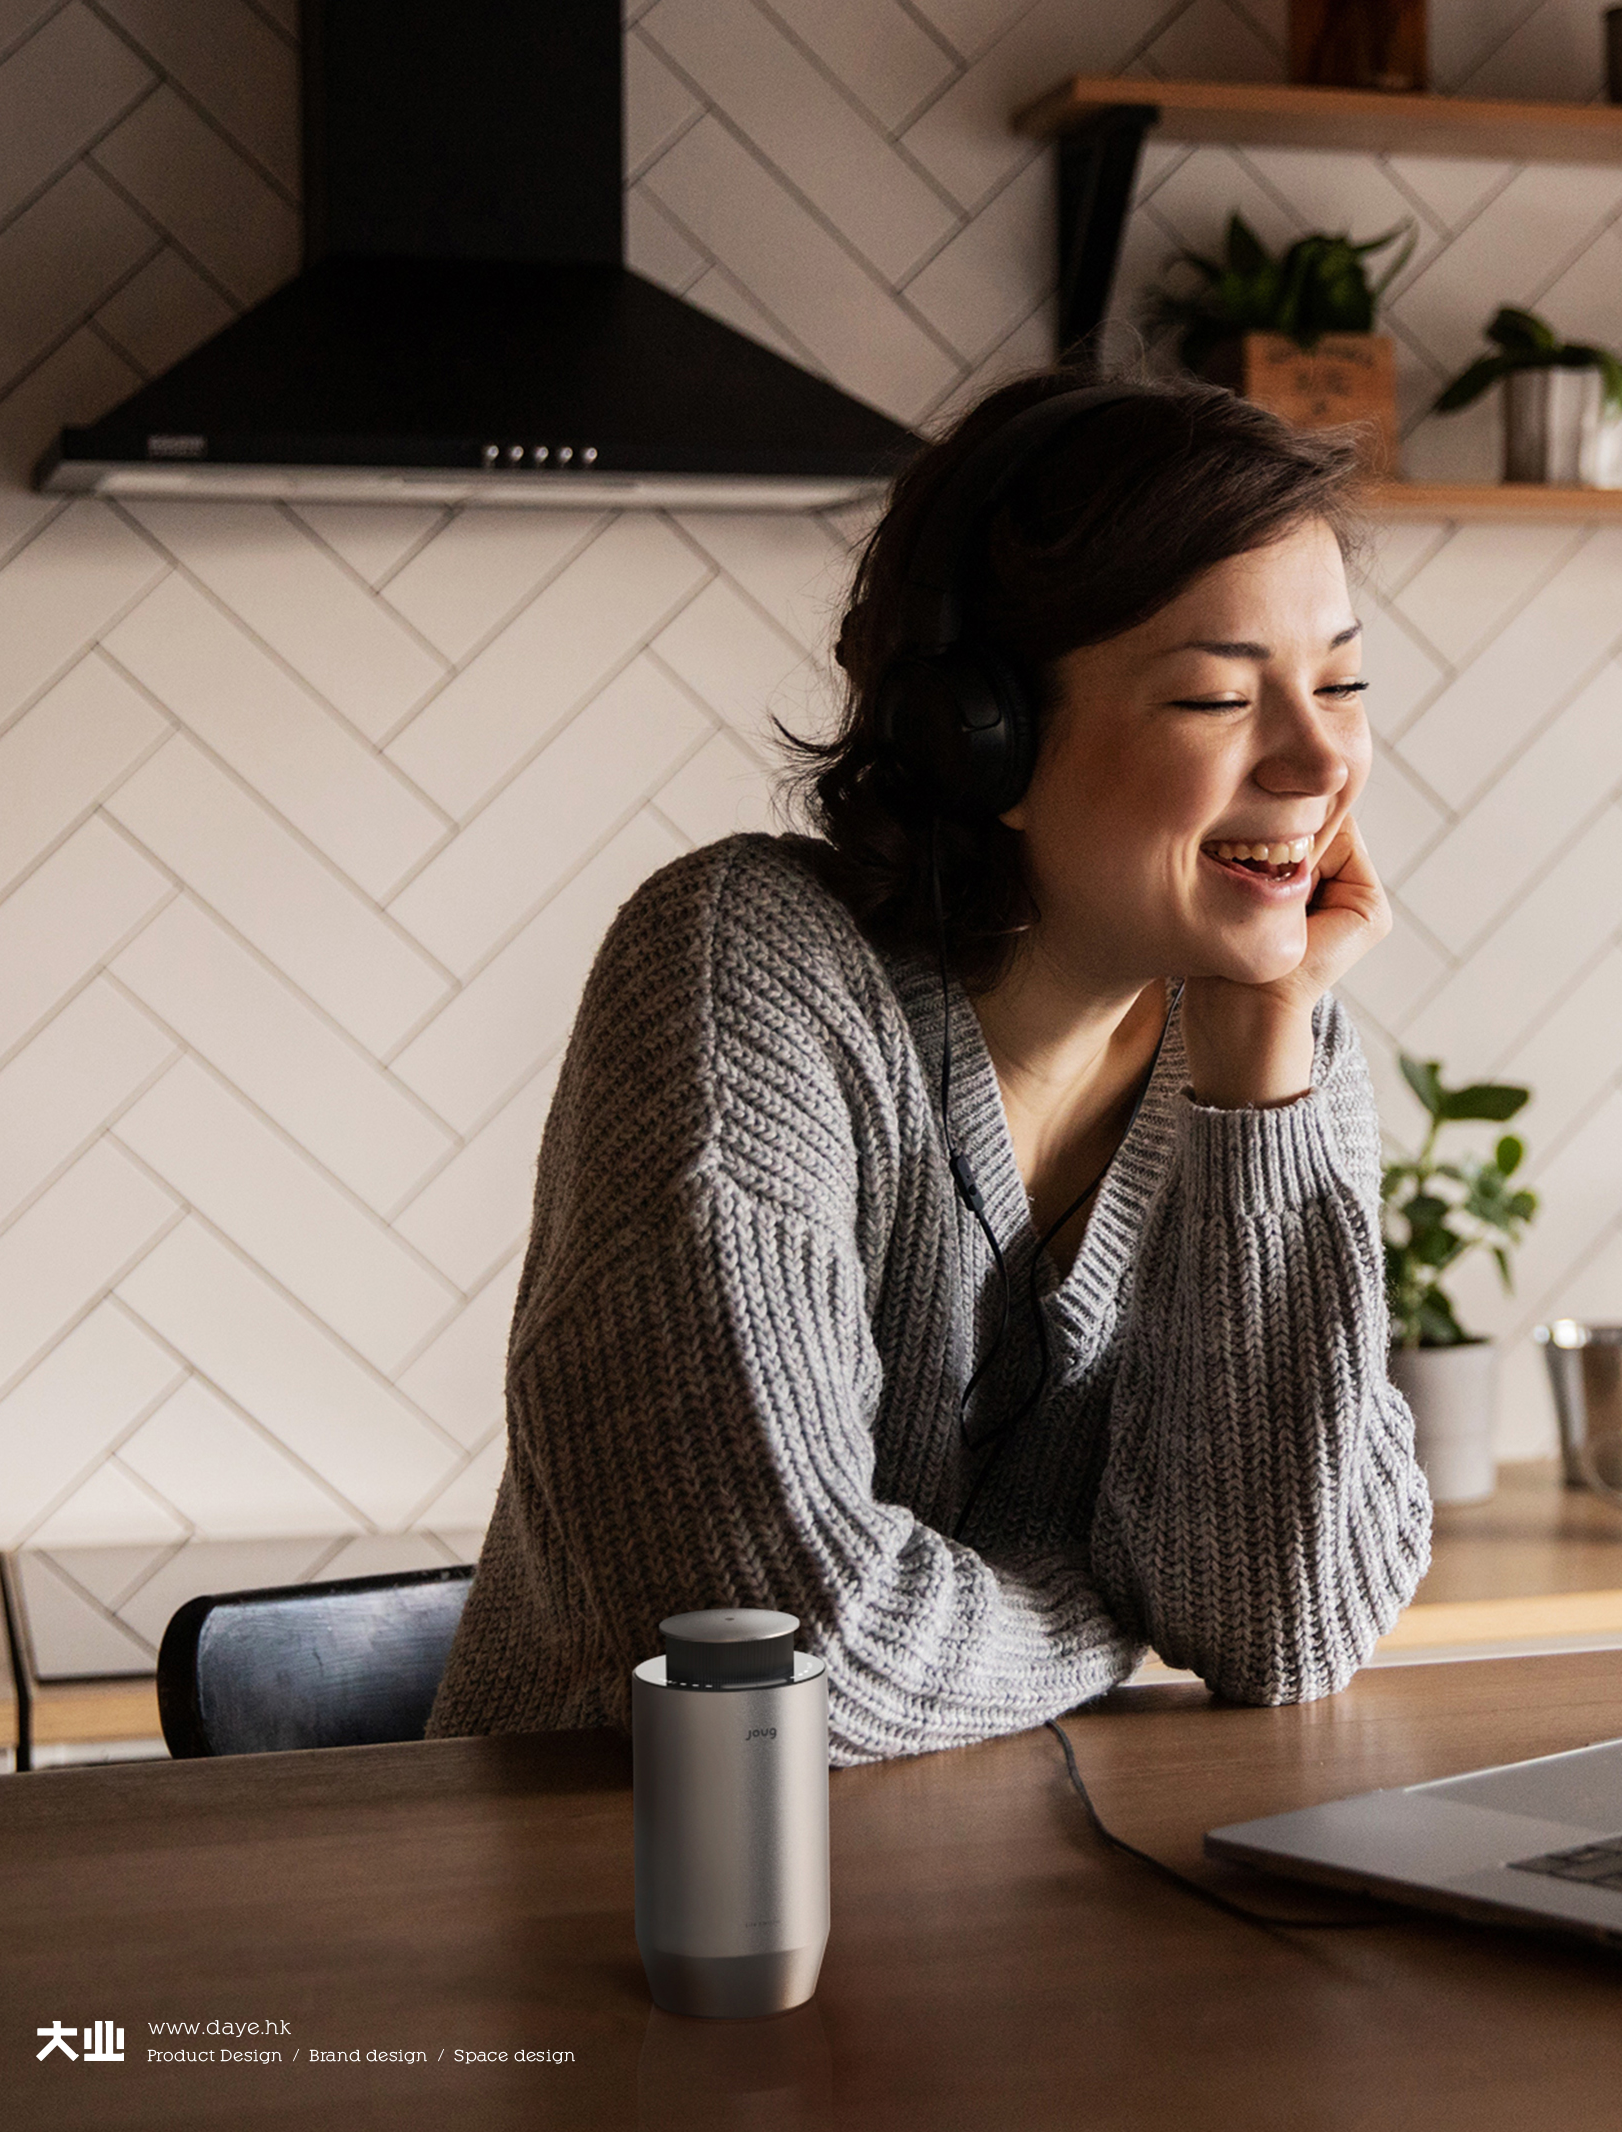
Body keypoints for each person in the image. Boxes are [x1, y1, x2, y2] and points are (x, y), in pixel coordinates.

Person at [428, 370, 1431, 1765]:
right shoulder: (746, 966)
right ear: (980, 740)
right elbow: (781, 1649)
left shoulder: (1274, 1043)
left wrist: (1261, 1088)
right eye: (1216, 696)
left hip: (1008, 1911)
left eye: (1340, 682)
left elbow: (1281, 1629)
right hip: (627, 1901)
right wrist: (1107, 1609)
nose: (1319, 759)